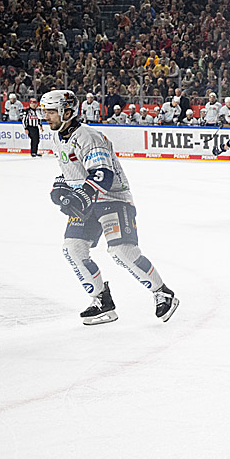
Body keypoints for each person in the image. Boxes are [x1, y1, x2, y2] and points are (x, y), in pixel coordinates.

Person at [40, 89, 179, 325]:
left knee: (121, 251)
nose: (46, 116)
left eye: (51, 112)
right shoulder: (57, 137)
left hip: (113, 198)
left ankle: (162, 292)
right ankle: (101, 300)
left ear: (67, 112)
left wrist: (81, 195)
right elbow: (72, 171)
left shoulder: (89, 137)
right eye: (45, 111)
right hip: (87, 201)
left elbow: (103, 174)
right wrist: (59, 186)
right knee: (73, 248)